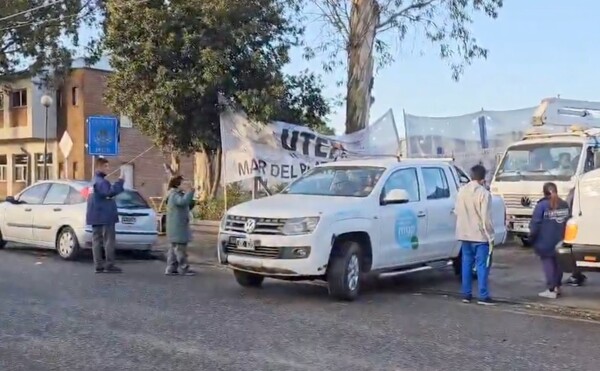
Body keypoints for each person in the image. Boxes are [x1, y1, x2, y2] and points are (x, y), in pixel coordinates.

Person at [455, 164, 495, 305]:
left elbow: (456, 211)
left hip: (464, 234)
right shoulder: (484, 194)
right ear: (483, 178)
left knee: (466, 264)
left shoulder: (461, 191)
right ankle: (483, 296)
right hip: (480, 236)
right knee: (482, 265)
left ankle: (466, 294)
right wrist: (490, 236)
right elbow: (486, 219)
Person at [529, 182, 570, 299]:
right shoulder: (564, 204)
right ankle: (557, 287)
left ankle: (551, 289)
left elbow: (535, 224)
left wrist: (532, 237)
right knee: (559, 264)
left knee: (548, 264)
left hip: (545, 240)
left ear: (544, 192)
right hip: (561, 239)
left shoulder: (541, 205)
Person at [86, 157, 125, 273]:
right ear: (100, 167)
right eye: (106, 166)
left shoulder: (93, 181)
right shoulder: (102, 182)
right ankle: (109, 264)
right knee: (109, 240)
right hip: (105, 215)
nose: (108, 168)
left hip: (94, 215)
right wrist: (120, 182)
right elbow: (109, 192)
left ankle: (98, 265)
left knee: (96, 241)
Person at [165, 175, 196, 276]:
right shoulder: (174, 195)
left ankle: (171, 268)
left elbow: (187, 204)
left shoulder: (173, 194)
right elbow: (182, 202)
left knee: (173, 250)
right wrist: (190, 191)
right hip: (178, 227)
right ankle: (184, 268)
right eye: (183, 183)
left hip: (175, 227)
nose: (185, 184)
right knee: (180, 249)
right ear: (178, 184)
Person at [565, 186, 587, 287]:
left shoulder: (576, 190)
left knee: (574, 250)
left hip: (577, 224)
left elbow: (568, 207)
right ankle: (577, 274)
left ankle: (576, 276)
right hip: (585, 223)